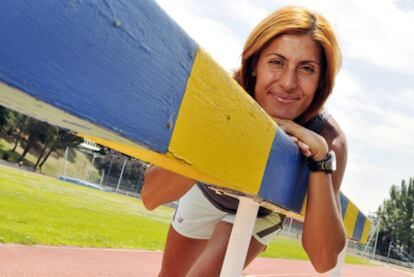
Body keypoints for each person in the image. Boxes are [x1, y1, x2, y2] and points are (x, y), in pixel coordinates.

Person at [141, 6, 347, 276]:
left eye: (306, 69)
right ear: (254, 66)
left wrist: (320, 161)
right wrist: (230, 124)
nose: (287, 82)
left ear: (321, 81)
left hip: (263, 210)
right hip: (207, 192)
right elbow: (151, 196)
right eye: (277, 62)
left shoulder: (329, 138)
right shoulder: (225, 95)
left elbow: (324, 260)